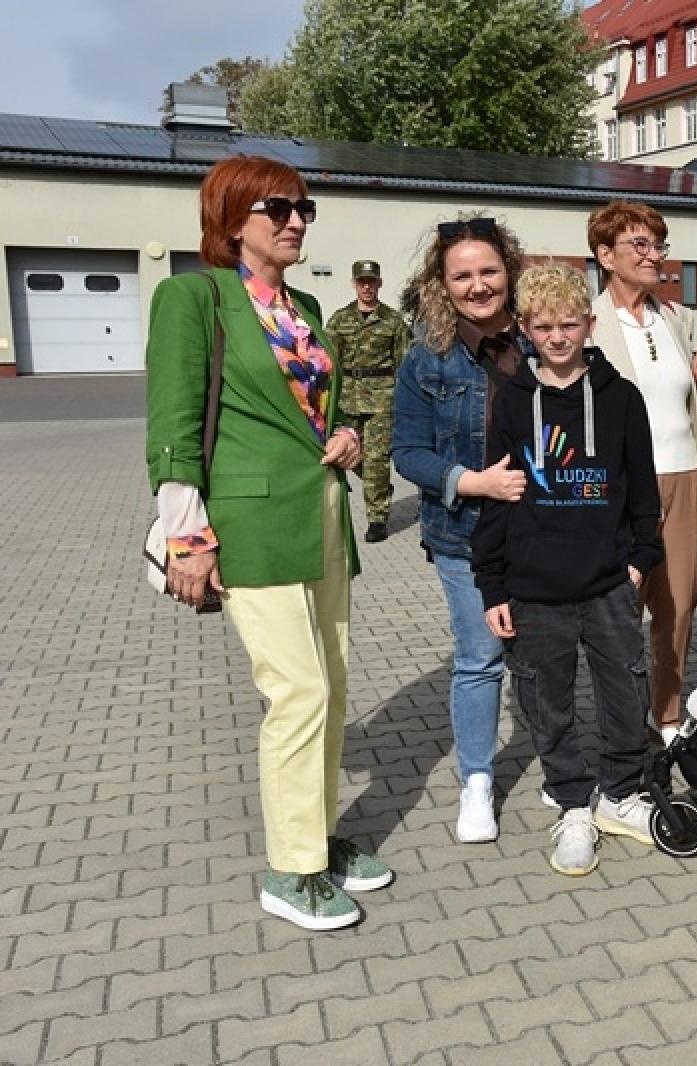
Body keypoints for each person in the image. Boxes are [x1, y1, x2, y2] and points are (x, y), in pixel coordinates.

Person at [146, 154, 391, 931]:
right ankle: (291, 868)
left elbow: (329, 406)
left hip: (321, 517)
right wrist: (188, 537)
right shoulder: (194, 298)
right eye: (277, 208)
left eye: (304, 209)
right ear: (231, 219)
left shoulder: (308, 305)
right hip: (248, 524)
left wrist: (348, 434)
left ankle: (314, 834)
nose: (295, 221)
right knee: (300, 692)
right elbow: (174, 423)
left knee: (335, 685)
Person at [473, 263, 663, 876]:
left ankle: (620, 793)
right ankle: (573, 803)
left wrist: (638, 561)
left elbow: (642, 490)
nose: (558, 337)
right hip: (534, 587)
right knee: (546, 701)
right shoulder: (510, 401)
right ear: (526, 329)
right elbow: (497, 496)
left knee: (625, 690)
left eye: (569, 324)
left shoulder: (621, 398)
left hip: (608, 581)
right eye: (544, 326)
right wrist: (493, 583)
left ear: (588, 323)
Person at [393, 215, 530, 845]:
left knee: (544, 655)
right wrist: (471, 482)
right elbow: (408, 451)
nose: (478, 285)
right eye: (462, 275)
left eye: (489, 271)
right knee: (481, 659)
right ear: (442, 285)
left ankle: (560, 768)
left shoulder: (545, 336)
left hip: (549, 530)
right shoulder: (428, 357)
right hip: (466, 532)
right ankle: (478, 782)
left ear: (511, 270)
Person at [585, 201, 697, 745]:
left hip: (684, 475)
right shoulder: (590, 323)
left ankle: (664, 715)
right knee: (621, 609)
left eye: (658, 245)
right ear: (605, 255)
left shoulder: (674, 319)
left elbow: (682, 403)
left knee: (679, 605)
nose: (654, 256)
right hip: (624, 485)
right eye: (639, 245)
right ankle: (618, 725)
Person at [325, 260, 410, 543]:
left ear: (379, 284)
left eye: (371, 281)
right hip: (348, 396)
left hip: (381, 397)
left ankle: (377, 519)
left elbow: (404, 362)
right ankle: (381, 487)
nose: (367, 287)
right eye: (362, 281)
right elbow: (328, 361)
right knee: (351, 458)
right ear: (354, 284)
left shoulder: (393, 321)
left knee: (376, 458)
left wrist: (404, 398)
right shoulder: (339, 320)